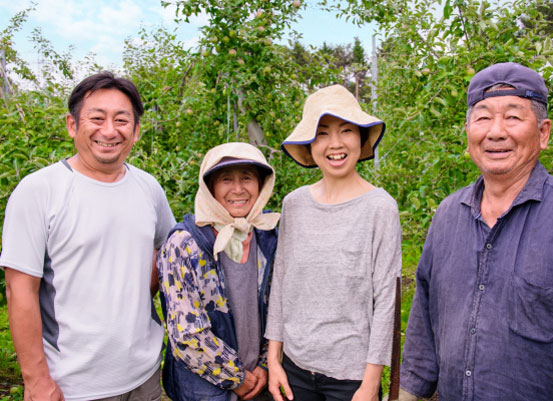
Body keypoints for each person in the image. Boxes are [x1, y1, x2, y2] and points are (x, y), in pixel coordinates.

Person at [399, 62, 553, 401]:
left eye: (513, 117)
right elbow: (423, 325)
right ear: (468, 131)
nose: (495, 132)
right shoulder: (448, 215)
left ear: (543, 132)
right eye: (482, 117)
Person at [0, 71, 176, 400]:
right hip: (72, 384)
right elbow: (19, 289)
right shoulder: (40, 191)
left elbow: (164, 253)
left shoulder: (148, 188)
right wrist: (36, 380)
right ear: (72, 125)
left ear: (136, 131)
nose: (109, 131)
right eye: (97, 118)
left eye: (122, 120)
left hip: (145, 375)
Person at [265, 84, 402, 401]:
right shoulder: (294, 204)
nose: (336, 144)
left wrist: (370, 383)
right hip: (295, 368)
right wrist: (274, 359)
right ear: (310, 144)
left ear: (360, 138)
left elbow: (386, 302)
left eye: (346, 131)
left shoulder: (379, 208)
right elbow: (281, 282)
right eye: (323, 133)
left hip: (352, 376)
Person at [157, 142, 280, 401]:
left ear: (261, 184)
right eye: (226, 179)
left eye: (247, 177)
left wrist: (265, 364)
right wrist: (238, 378)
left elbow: (280, 307)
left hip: (261, 382)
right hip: (207, 390)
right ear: (210, 188)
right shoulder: (184, 244)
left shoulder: (268, 235)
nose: (238, 189)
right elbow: (186, 334)